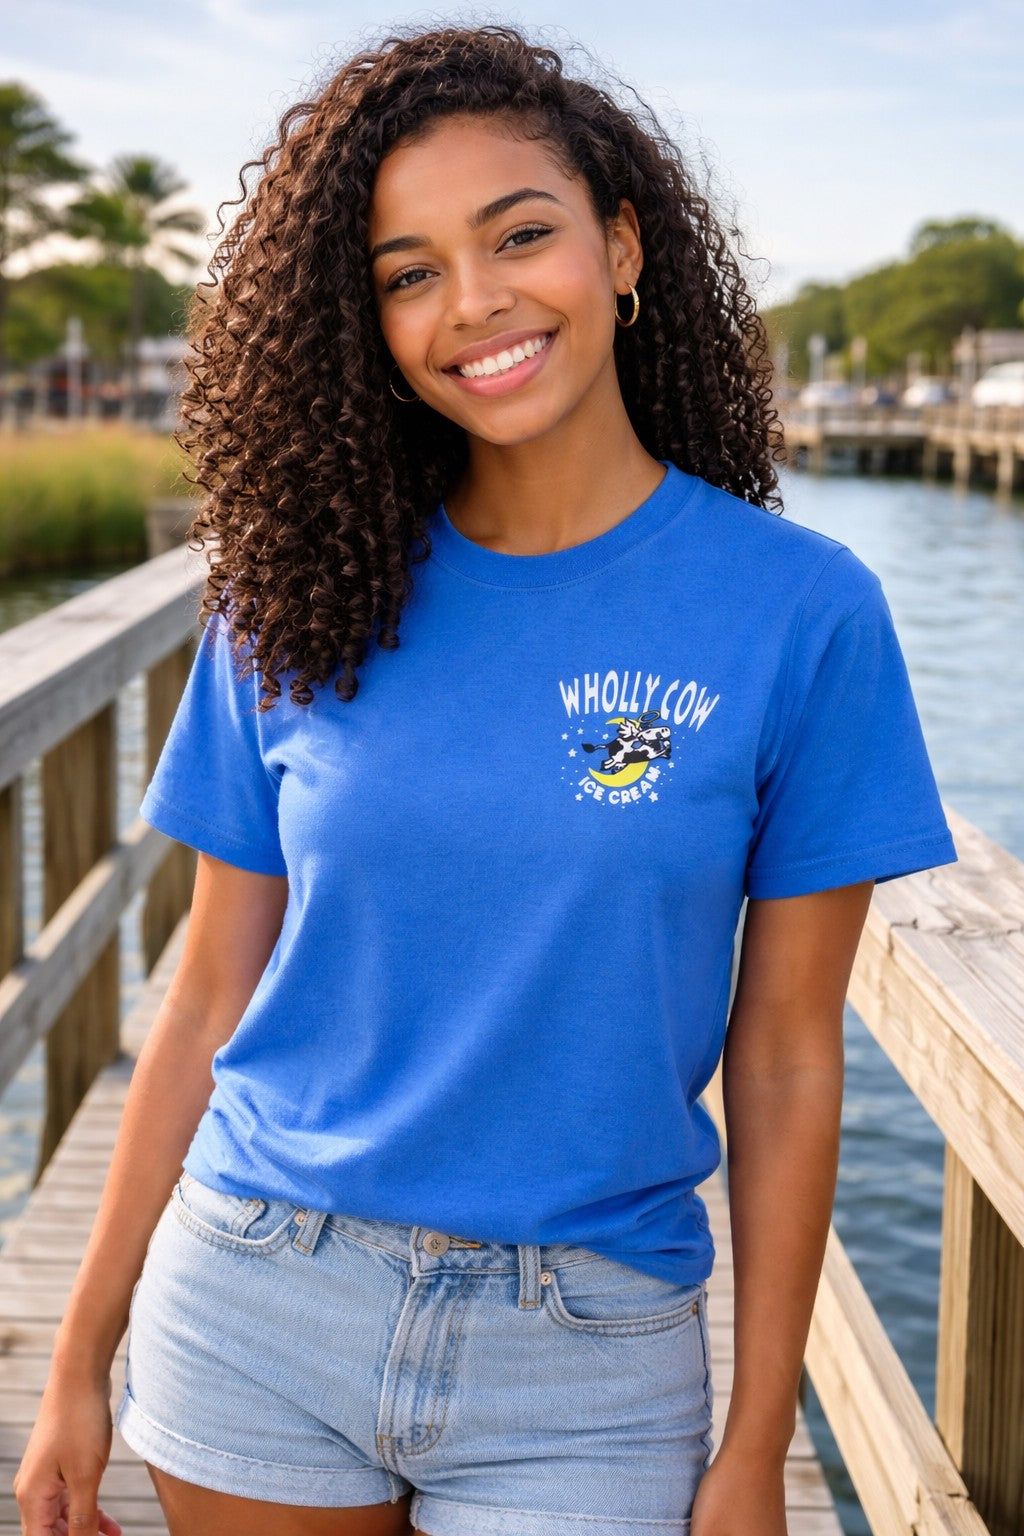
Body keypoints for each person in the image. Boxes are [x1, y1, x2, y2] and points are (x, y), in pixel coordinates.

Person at [14, 24, 957, 1536]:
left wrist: (754, 1445)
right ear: (365, 323)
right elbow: (202, 998)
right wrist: (78, 1353)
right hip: (261, 1304)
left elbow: (786, 1056)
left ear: (622, 243)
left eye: (521, 234)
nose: (476, 303)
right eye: (406, 272)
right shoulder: (292, 599)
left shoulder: (800, 611)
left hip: (587, 1355)